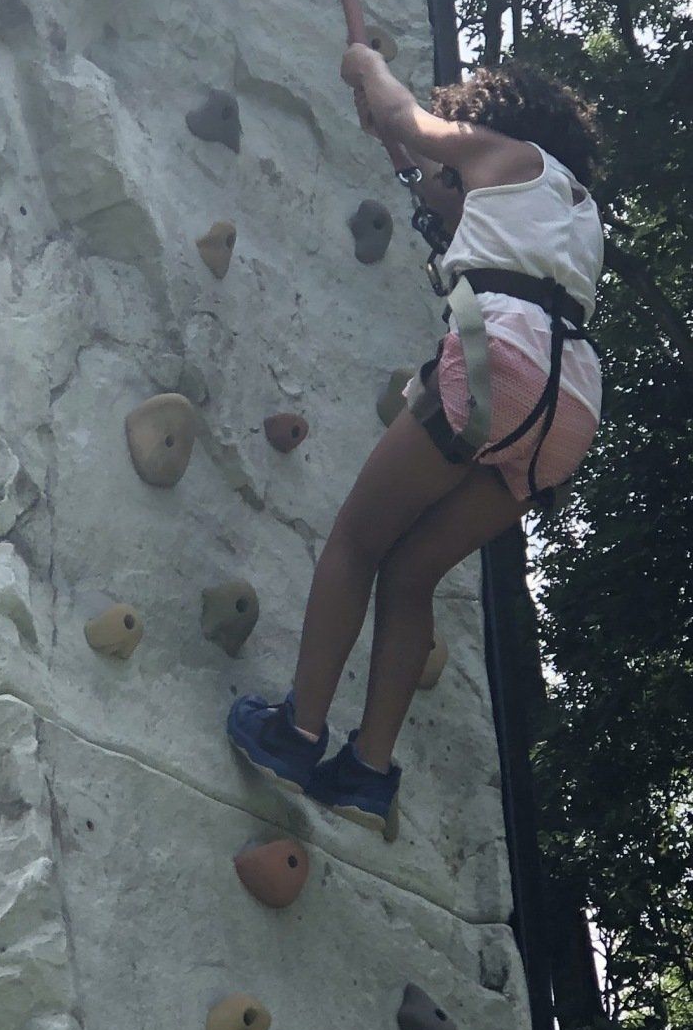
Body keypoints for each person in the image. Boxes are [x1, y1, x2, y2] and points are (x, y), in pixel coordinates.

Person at [227, 49, 604, 839]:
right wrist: (395, 138)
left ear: (488, 121)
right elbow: (439, 187)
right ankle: (367, 771)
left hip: (497, 364)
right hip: (568, 406)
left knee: (359, 541)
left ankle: (296, 732)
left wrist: (371, 69)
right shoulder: (570, 208)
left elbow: (415, 128)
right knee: (410, 575)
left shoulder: (505, 152)